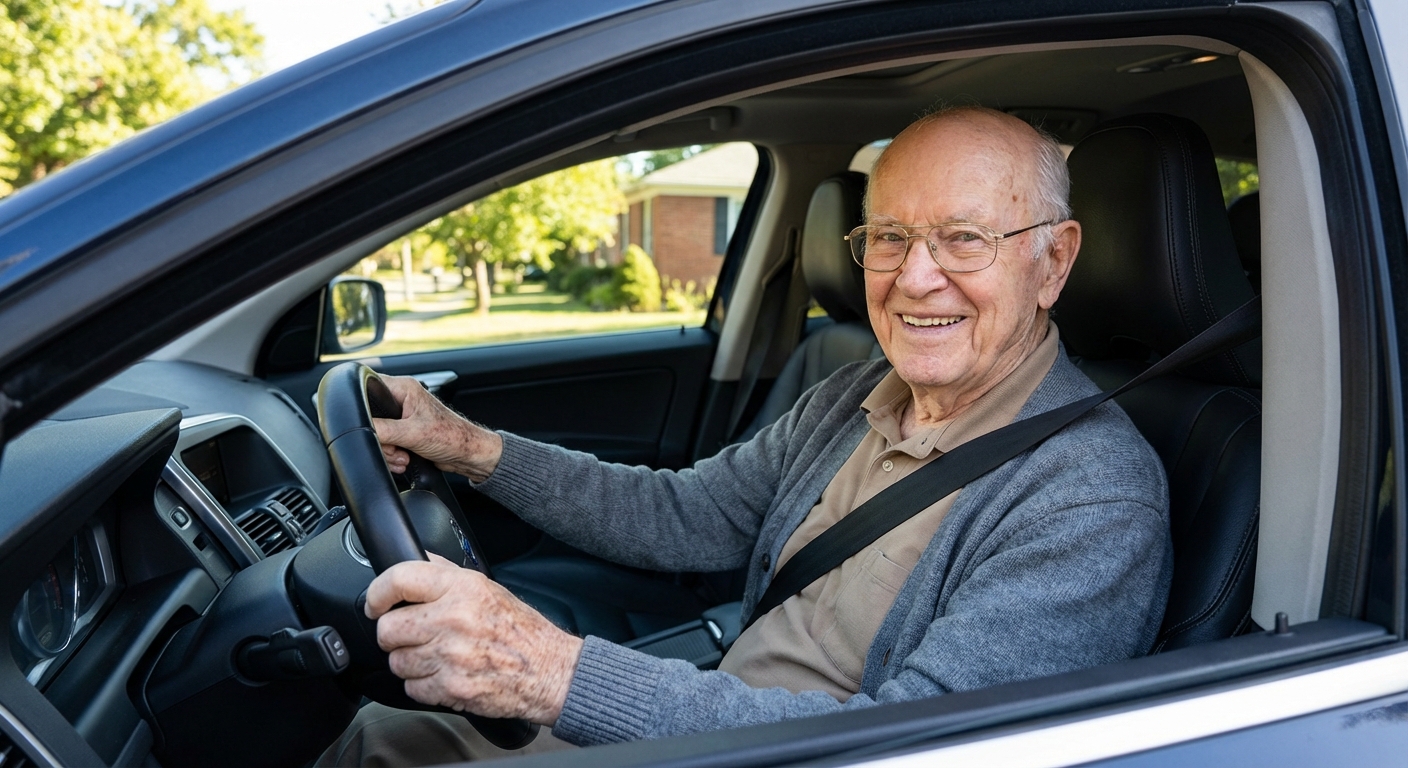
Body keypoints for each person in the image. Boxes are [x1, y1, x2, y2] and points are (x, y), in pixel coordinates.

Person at [318, 106, 1171, 766]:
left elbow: (917, 745)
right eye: (889, 237)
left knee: (385, 745)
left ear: (1054, 262)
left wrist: (554, 672)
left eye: (964, 238)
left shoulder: (1091, 494)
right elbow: (685, 514)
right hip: (719, 720)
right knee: (386, 731)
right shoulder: (857, 393)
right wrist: (466, 445)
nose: (916, 276)